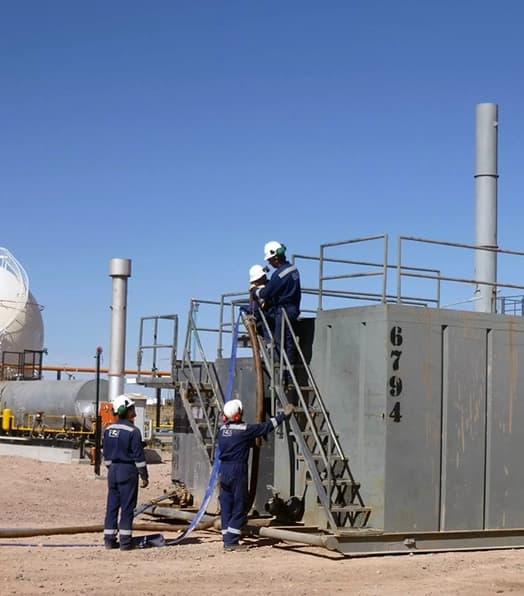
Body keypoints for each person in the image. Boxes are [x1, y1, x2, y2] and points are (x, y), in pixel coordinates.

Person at [218, 398, 294, 551]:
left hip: (224, 470)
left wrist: (249, 443)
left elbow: (234, 441)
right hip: (237, 470)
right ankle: (231, 542)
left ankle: (227, 537)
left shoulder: (221, 430)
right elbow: (265, 427)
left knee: (226, 505)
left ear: (225, 417)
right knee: (240, 505)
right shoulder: (245, 430)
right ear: (239, 415)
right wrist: (283, 415)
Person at [103, 394, 149, 551]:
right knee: (127, 506)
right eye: (132, 409)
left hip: (113, 471)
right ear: (127, 411)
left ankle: (109, 540)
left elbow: (106, 455)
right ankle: (125, 542)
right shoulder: (133, 431)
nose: (134, 411)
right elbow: (139, 458)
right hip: (127, 470)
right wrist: (144, 476)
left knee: (112, 506)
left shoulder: (108, 429)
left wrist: (112, 469)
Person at [254, 241, 301, 383]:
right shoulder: (293, 269)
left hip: (284, 311)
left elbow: (266, 293)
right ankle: (288, 375)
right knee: (288, 342)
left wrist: (256, 291)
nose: (270, 264)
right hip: (293, 308)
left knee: (282, 344)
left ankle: (285, 377)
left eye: (270, 261)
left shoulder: (279, 274)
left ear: (275, 257)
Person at [247, 264, 274, 339]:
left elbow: (254, 309)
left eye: (256, 281)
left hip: (268, 319)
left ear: (263, 278)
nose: (255, 284)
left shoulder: (267, 289)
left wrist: (255, 292)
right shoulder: (271, 285)